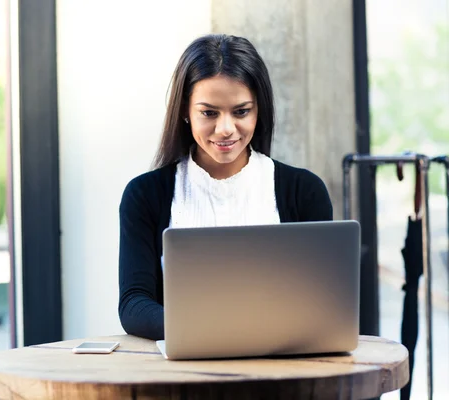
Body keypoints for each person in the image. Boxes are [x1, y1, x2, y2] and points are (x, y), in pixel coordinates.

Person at [118, 34, 333, 341]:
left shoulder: (305, 192)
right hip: (184, 373)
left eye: (241, 111)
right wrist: (214, 330)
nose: (226, 129)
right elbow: (134, 305)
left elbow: (322, 301)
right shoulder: (144, 196)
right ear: (184, 111)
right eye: (209, 113)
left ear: (259, 110)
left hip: (281, 369)